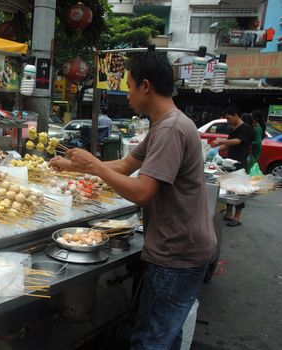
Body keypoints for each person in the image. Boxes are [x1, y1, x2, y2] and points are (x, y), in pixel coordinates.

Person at [50, 50, 216, 350]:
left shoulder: (171, 129)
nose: (126, 94)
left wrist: (94, 166)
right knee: (167, 333)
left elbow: (141, 191)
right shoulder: (164, 124)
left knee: (151, 339)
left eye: (129, 85)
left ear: (146, 86)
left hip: (177, 255)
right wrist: (75, 167)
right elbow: (127, 166)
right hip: (184, 247)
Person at [213, 106, 252, 227]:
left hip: (240, 164)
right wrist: (213, 150)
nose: (228, 121)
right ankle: (229, 213)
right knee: (229, 189)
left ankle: (237, 217)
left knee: (238, 190)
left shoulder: (246, 128)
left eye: (229, 118)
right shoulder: (234, 128)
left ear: (235, 115)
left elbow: (238, 141)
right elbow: (228, 145)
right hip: (229, 163)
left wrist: (221, 141)